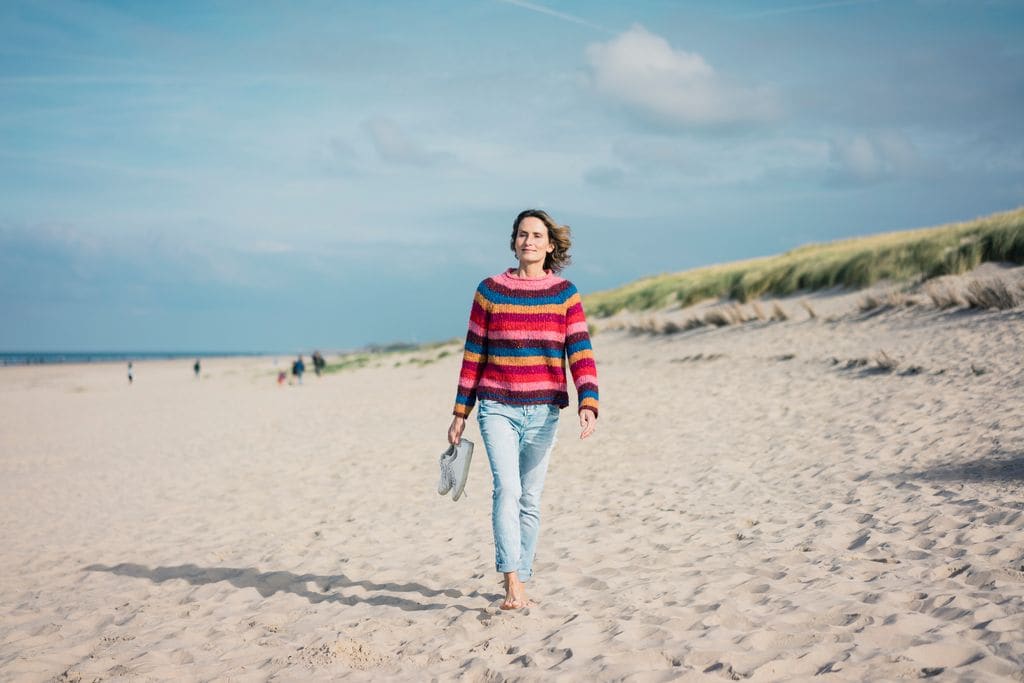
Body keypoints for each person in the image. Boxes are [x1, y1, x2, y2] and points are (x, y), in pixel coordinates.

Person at [447, 208, 599, 610]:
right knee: (508, 490)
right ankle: (512, 579)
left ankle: (523, 572)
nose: (528, 241)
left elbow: (579, 350)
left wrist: (588, 401)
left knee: (530, 498)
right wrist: (461, 412)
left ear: (550, 246)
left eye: (536, 235)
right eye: (522, 234)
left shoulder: (564, 294)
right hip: (496, 405)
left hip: (545, 409)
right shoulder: (490, 291)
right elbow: (473, 352)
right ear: (513, 241)